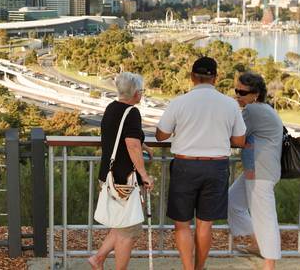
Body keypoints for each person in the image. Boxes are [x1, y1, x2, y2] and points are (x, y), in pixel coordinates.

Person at [155, 57, 246, 270]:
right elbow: (240, 140)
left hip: (185, 167)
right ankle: (199, 267)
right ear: (215, 77)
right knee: (205, 225)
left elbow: (161, 135)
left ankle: (188, 269)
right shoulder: (229, 104)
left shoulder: (179, 102)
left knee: (182, 224)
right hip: (216, 167)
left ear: (192, 77)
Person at [89, 72, 154, 270]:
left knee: (121, 225)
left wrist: (143, 145)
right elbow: (131, 144)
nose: (141, 95)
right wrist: (144, 175)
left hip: (108, 176)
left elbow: (118, 136)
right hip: (123, 180)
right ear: (135, 93)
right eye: (141, 91)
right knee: (129, 231)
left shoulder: (112, 108)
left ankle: (98, 259)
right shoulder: (132, 112)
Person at [228, 72, 282, 269]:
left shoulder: (253, 111)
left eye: (242, 92)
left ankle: (269, 264)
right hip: (258, 169)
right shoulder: (264, 109)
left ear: (256, 94)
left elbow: (237, 137)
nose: (238, 95)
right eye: (236, 91)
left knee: (265, 218)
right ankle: (257, 243)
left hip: (261, 171)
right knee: (233, 200)